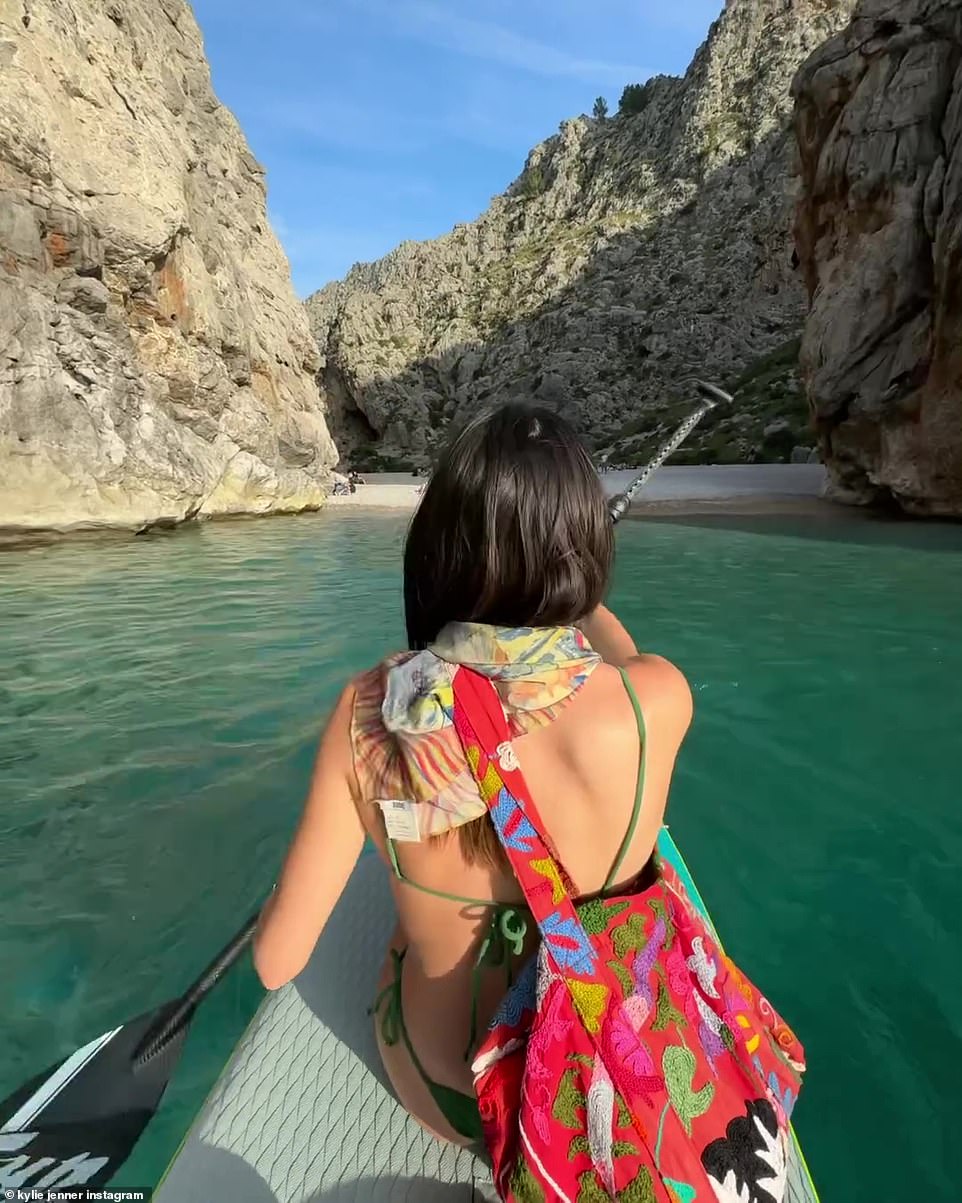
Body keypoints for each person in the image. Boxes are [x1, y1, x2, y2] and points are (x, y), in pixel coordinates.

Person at [252, 402, 693, 1148]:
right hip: (593, 1093)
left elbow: (275, 963)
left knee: (404, 918)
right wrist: (573, 599)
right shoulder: (658, 701)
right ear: (582, 550)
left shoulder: (366, 714)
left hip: (455, 1101)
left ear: (438, 548)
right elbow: (617, 659)